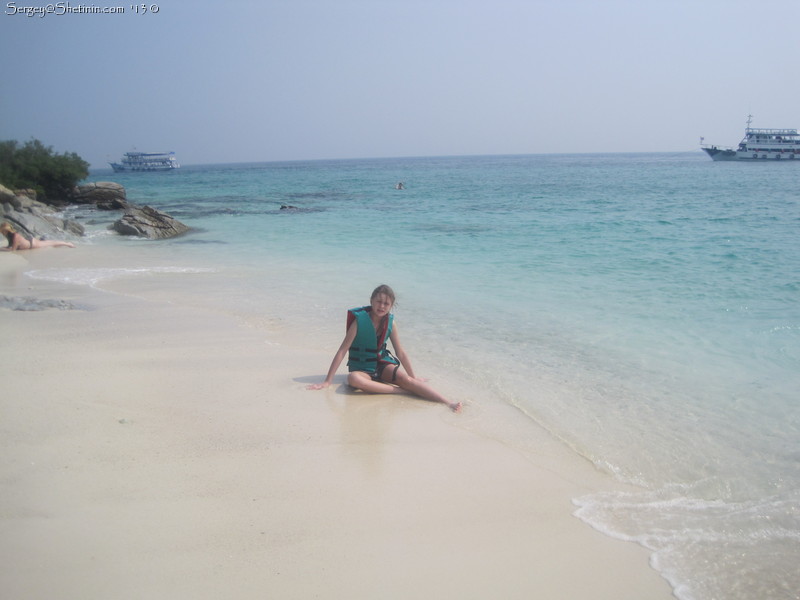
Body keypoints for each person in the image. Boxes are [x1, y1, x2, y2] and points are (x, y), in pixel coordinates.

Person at [307, 284, 462, 412]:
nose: (382, 306)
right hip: (362, 369)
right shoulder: (359, 322)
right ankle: (401, 391)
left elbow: (400, 352)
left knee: (406, 379)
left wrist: (413, 376)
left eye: (386, 303)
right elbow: (342, 351)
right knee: (353, 379)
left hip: (381, 365)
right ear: (372, 301)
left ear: (391, 306)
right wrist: (328, 381)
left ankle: (448, 403)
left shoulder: (391, 323)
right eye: (379, 301)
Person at [0, 222, 75, 251]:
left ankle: (67, 244)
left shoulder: (16, 236)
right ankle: (43, 239)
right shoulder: (10, 236)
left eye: (3, 231)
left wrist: (1, 249)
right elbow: (10, 247)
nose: (3, 233)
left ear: (8, 231)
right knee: (49, 242)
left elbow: (13, 250)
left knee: (52, 243)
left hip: (33, 244)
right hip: (30, 241)